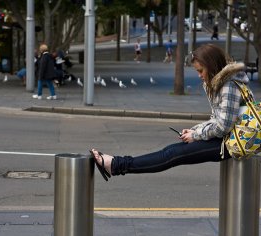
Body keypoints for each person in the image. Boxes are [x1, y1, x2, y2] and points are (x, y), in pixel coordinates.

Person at [90, 44, 251, 181]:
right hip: (230, 138)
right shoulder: (220, 83)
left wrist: (196, 135)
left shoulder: (229, 85)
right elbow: (218, 119)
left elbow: (223, 126)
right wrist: (196, 130)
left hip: (235, 143)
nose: (199, 75)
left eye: (201, 70)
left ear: (212, 66)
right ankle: (116, 164)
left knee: (173, 154)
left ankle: (116, 165)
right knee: (171, 152)